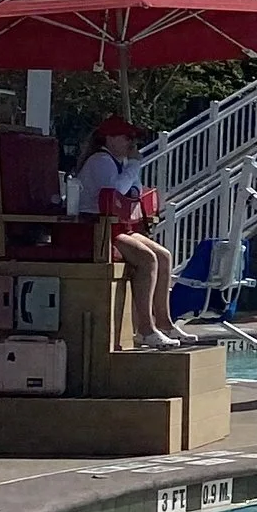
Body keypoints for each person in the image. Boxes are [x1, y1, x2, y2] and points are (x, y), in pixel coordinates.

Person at [72, 114, 182, 349]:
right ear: (109, 138)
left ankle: (164, 322)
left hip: (117, 225)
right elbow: (115, 191)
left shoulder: (118, 161)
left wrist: (131, 169)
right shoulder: (100, 160)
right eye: (127, 137)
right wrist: (134, 165)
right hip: (96, 227)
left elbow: (134, 189)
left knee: (163, 256)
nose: (132, 143)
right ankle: (145, 329)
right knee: (147, 259)